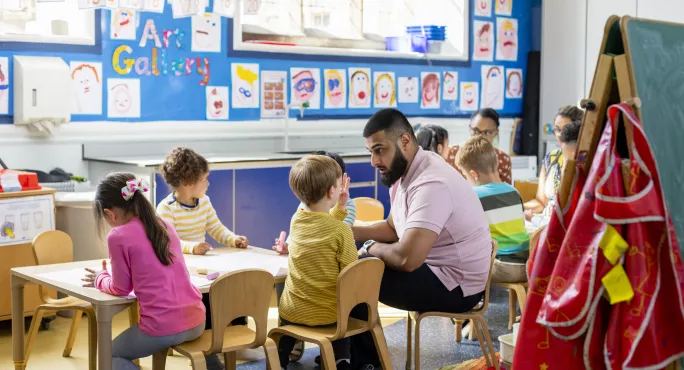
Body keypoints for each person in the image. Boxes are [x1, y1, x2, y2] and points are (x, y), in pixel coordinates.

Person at [351, 108, 492, 369]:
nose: (373, 160)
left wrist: (370, 247)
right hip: (436, 270)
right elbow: (394, 228)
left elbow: (407, 258)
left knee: (356, 276)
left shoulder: (431, 182)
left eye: (379, 150)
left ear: (405, 141)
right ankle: (352, 356)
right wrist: (348, 230)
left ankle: (366, 364)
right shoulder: (404, 172)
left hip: (457, 287)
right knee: (349, 251)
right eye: (370, 151)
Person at [82, 173, 205, 370]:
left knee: (109, 355)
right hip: (197, 319)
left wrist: (100, 278)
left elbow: (120, 288)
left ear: (110, 213)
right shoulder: (164, 225)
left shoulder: (118, 235)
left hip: (163, 326)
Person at [156, 147, 248, 368]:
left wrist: (234, 239)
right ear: (188, 182)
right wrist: (192, 247)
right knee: (204, 299)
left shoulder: (204, 201)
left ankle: (233, 336)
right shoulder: (166, 209)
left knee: (229, 288)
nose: (208, 184)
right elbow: (168, 243)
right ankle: (207, 351)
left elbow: (216, 227)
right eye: (205, 179)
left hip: (203, 265)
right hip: (181, 269)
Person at [277, 155, 358, 370]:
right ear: (332, 191)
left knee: (288, 312)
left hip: (292, 312)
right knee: (342, 316)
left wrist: (339, 209)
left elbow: (323, 225)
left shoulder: (297, 219)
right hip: (327, 315)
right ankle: (341, 360)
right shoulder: (342, 231)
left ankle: (280, 358)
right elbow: (352, 272)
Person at [456, 136, 530, 283]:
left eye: (465, 176)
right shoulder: (514, 192)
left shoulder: (475, 195)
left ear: (474, 174)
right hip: (528, 266)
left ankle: (469, 302)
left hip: (501, 268)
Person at [273, 151, 357, 255]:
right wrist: (289, 246)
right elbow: (331, 229)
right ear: (333, 188)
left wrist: (340, 206)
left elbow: (329, 228)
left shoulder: (297, 217)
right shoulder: (303, 207)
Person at [524, 106, 584, 221]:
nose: (560, 135)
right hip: (545, 222)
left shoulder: (583, 160)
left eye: (565, 130)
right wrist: (519, 207)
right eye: (557, 129)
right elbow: (541, 202)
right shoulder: (551, 158)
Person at [447, 108, 513, 184]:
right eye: (475, 131)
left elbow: (505, 193)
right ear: (470, 128)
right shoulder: (452, 153)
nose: (479, 136)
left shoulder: (503, 159)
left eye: (487, 132)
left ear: (495, 133)